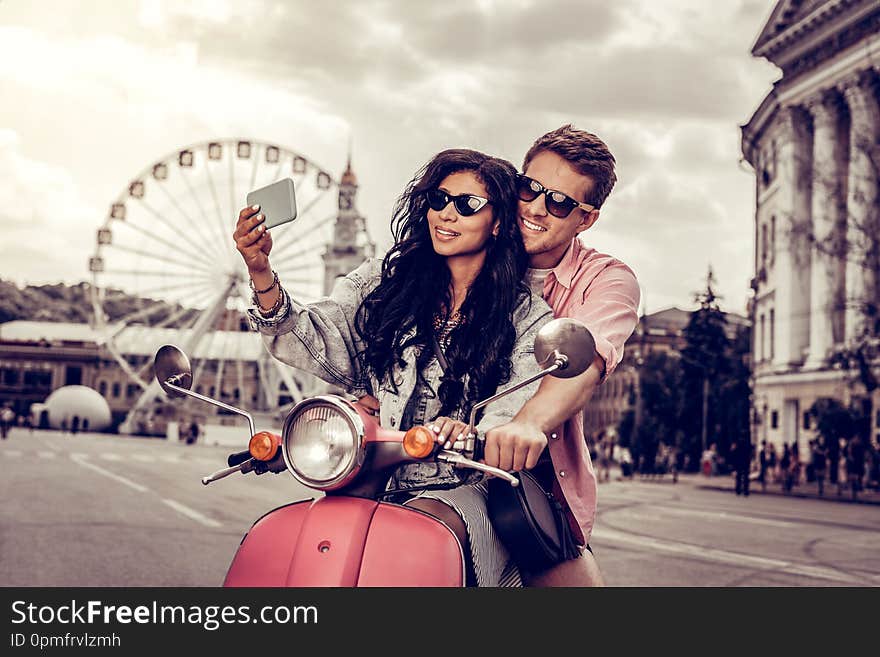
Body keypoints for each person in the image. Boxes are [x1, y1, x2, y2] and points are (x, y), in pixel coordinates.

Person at [236, 148, 552, 587]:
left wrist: (478, 431)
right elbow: (319, 340)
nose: (447, 214)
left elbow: (519, 402)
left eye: (467, 205)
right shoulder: (383, 283)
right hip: (377, 470)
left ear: (497, 222)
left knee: (421, 532)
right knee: (311, 539)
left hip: (466, 485)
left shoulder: (526, 316)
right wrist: (261, 271)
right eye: (439, 200)